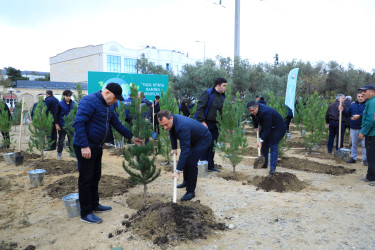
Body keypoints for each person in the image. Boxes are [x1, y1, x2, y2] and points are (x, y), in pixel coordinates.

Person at [73, 82, 143, 224]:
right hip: (85, 146)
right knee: (86, 179)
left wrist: (131, 137)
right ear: (106, 92)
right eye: (115, 97)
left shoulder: (109, 106)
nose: (116, 100)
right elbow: (78, 123)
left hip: (97, 146)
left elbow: (117, 124)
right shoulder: (89, 101)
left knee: (96, 176)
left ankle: (94, 204)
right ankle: (85, 212)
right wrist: (84, 145)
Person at [157, 110, 211, 201]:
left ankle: (190, 191)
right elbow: (171, 132)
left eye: (166, 124)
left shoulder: (182, 126)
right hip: (193, 138)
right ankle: (186, 181)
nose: (165, 127)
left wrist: (177, 171)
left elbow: (185, 151)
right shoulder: (172, 122)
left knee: (191, 162)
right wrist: (174, 147)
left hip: (203, 139)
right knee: (186, 159)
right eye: (162, 126)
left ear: (171, 118)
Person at [195, 77, 227, 172]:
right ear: (218, 85)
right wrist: (202, 122)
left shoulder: (223, 96)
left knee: (213, 145)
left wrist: (225, 124)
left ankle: (211, 166)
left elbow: (224, 111)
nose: (225, 88)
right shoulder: (208, 93)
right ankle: (203, 165)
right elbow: (200, 108)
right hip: (205, 123)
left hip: (216, 124)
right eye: (224, 86)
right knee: (205, 144)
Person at [248, 101, 287, 174]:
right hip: (269, 127)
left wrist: (260, 140)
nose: (252, 112)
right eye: (250, 111)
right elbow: (254, 117)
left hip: (278, 128)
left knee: (273, 144)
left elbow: (267, 129)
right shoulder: (254, 111)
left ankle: (272, 168)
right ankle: (264, 164)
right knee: (264, 145)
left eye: (252, 110)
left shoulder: (266, 112)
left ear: (257, 107)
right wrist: (255, 126)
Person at [343, 92, 367, 165]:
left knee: (364, 145)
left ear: (364, 97)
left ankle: (365, 159)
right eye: (359, 96)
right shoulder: (352, 105)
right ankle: (353, 158)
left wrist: (359, 116)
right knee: (354, 144)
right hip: (353, 128)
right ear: (356, 97)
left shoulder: (367, 105)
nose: (360, 98)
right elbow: (347, 114)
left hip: (363, 128)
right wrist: (342, 110)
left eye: (362, 96)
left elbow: (368, 114)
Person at [358, 85, 375, 182]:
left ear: (372, 92)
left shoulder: (372, 103)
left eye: (365, 91)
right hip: (372, 133)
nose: (363, 93)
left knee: (372, 157)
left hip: (372, 134)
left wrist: (363, 132)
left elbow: (372, 120)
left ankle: (372, 178)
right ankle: (370, 176)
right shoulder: (370, 102)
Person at [54, 90, 75, 159]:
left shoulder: (73, 104)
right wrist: (56, 124)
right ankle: (59, 153)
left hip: (71, 125)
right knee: (61, 140)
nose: (69, 97)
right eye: (67, 96)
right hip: (62, 125)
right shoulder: (60, 104)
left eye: (70, 96)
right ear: (64, 96)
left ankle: (72, 152)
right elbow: (56, 115)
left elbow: (75, 114)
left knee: (71, 139)